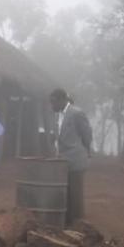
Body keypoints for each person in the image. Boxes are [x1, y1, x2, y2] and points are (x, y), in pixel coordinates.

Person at [49, 88, 92, 225]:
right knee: (65, 192)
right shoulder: (58, 115)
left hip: (75, 158)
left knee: (75, 193)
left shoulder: (76, 113)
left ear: (62, 100)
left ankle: (78, 224)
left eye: (53, 102)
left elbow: (87, 134)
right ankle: (67, 222)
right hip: (62, 160)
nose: (52, 106)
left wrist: (85, 151)